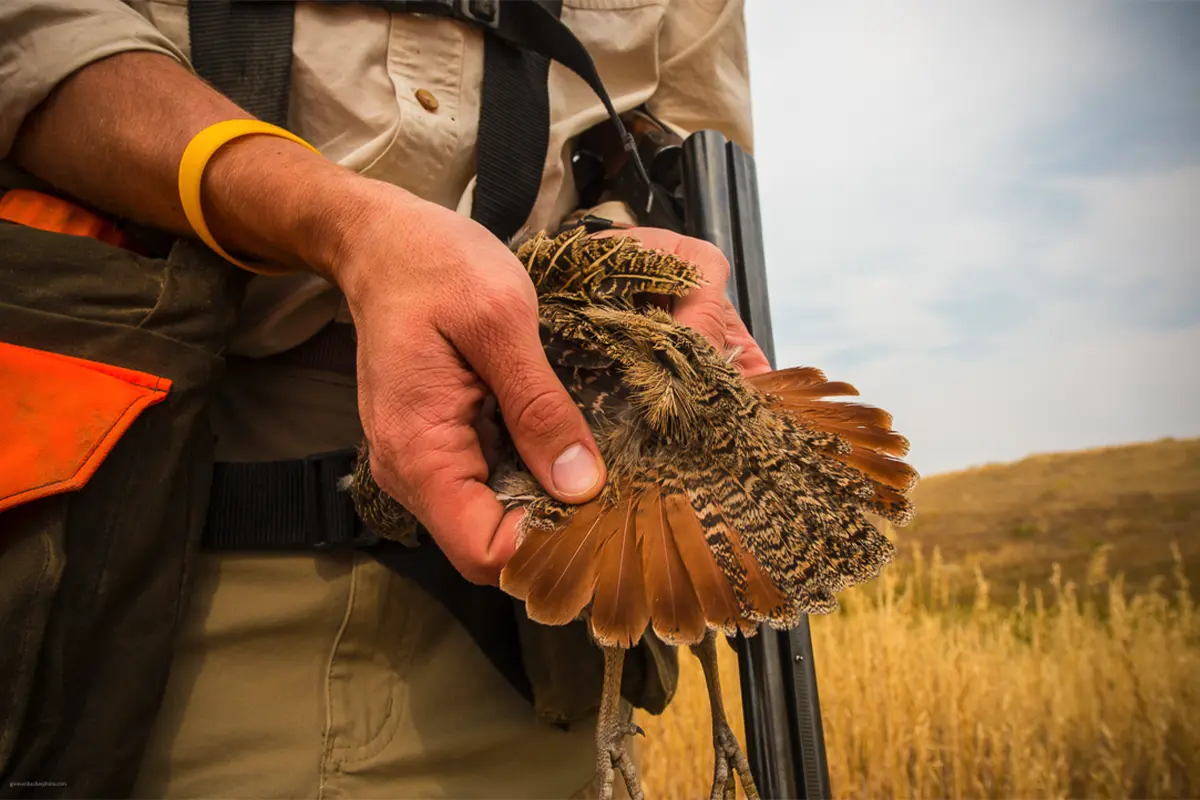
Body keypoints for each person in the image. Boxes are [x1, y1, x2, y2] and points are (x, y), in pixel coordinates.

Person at [0, 0, 765, 796]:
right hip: (136, 557)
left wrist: (606, 272)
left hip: (536, 608)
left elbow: (681, 157)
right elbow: (31, 36)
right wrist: (345, 224)